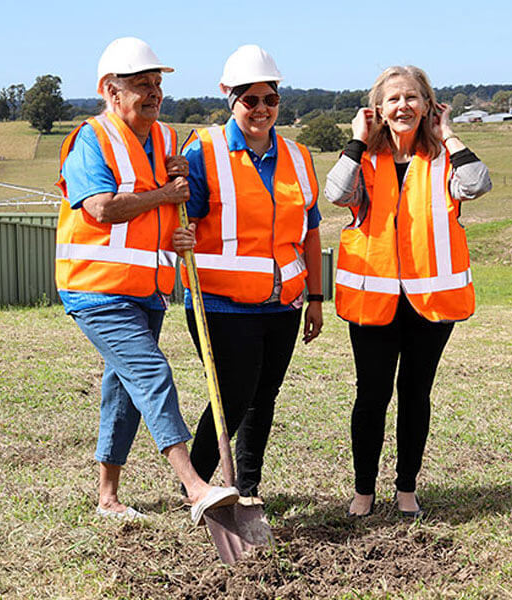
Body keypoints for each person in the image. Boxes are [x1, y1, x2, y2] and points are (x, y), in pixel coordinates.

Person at [55, 37, 238, 525]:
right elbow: (99, 208)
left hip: (148, 290)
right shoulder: (90, 138)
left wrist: (179, 231)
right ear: (111, 92)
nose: (154, 94)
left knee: (124, 388)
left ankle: (107, 497)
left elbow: (166, 210)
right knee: (152, 374)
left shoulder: (165, 140)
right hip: (97, 288)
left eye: (157, 85)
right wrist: (163, 193)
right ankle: (196, 486)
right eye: (142, 85)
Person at [324, 66, 492, 518]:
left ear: (428, 105)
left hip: (431, 303)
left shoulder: (443, 161)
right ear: (378, 109)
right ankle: (363, 491)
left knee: (416, 394)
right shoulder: (364, 161)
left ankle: (406, 489)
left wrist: (449, 134)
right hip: (373, 301)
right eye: (393, 99)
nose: (403, 107)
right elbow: (335, 193)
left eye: (412, 98)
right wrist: (357, 140)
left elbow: (477, 184)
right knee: (371, 397)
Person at [173, 45, 324, 503]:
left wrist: (316, 297)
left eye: (270, 99)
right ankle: (195, 486)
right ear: (229, 97)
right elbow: (184, 222)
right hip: (220, 302)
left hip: (283, 304)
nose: (261, 109)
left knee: (265, 396)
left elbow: (310, 233)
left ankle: (247, 487)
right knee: (234, 396)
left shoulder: (298, 156)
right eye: (250, 99)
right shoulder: (204, 151)